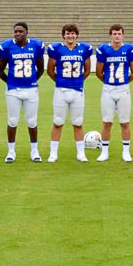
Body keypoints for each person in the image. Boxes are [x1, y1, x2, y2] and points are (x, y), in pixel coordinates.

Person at [0, 22, 45, 163]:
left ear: (27, 32)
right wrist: (10, 82)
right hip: (13, 90)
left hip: (31, 89)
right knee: (12, 120)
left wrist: (31, 81)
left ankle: (34, 151)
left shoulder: (36, 45)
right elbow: (0, 69)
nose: (18, 34)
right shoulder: (7, 46)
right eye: (16, 31)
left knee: (32, 121)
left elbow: (40, 69)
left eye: (21, 31)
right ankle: (11, 151)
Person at [46, 24, 94, 163]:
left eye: (73, 33)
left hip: (77, 90)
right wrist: (61, 81)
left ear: (76, 35)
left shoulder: (84, 49)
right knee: (58, 122)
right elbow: (50, 70)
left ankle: (81, 153)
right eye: (68, 33)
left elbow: (86, 71)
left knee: (78, 122)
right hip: (61, 90)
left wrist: (76, 82)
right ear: (64, 35)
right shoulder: (57, 49)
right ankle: (53, 153)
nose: (70, 36)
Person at [95, 24, 133, 162]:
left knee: (125, 122)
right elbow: (99, 72)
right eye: (114, 34)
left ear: (123, 35)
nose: (117, 36)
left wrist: (123, 82)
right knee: (107, 121)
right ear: (110, 35)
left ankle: (126, 151)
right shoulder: (103, 49)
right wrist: (109, 83)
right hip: (108, 89)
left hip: (123, 89)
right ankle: (104, 151)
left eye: (119, 34)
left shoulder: (129, 49)